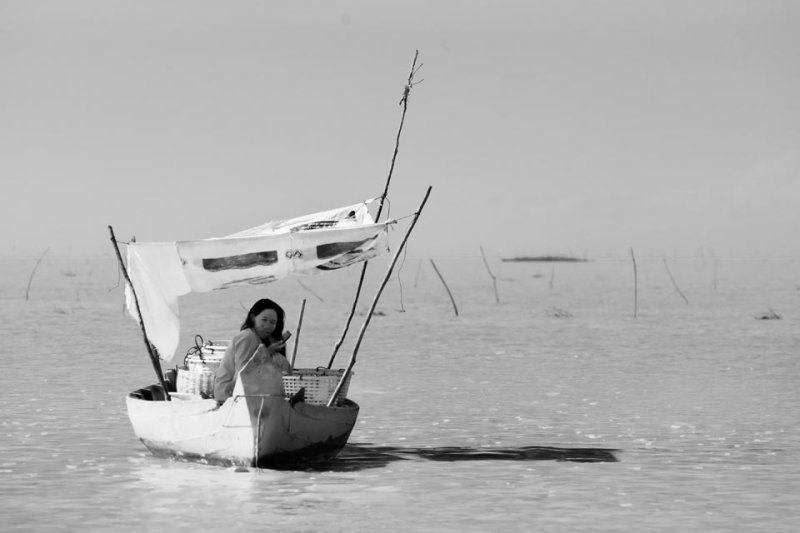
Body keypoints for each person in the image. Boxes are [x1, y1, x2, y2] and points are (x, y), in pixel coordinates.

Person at [213, 298, 292, 403]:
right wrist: (268, 352)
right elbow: (243, 372)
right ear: (253, 317)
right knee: (278, 360)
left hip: (242, 389)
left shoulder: (258, 338)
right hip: (228, 393)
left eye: (272, 322)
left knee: (279, 360)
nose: (268, 326)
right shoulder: (247, 337)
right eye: (264, 320)